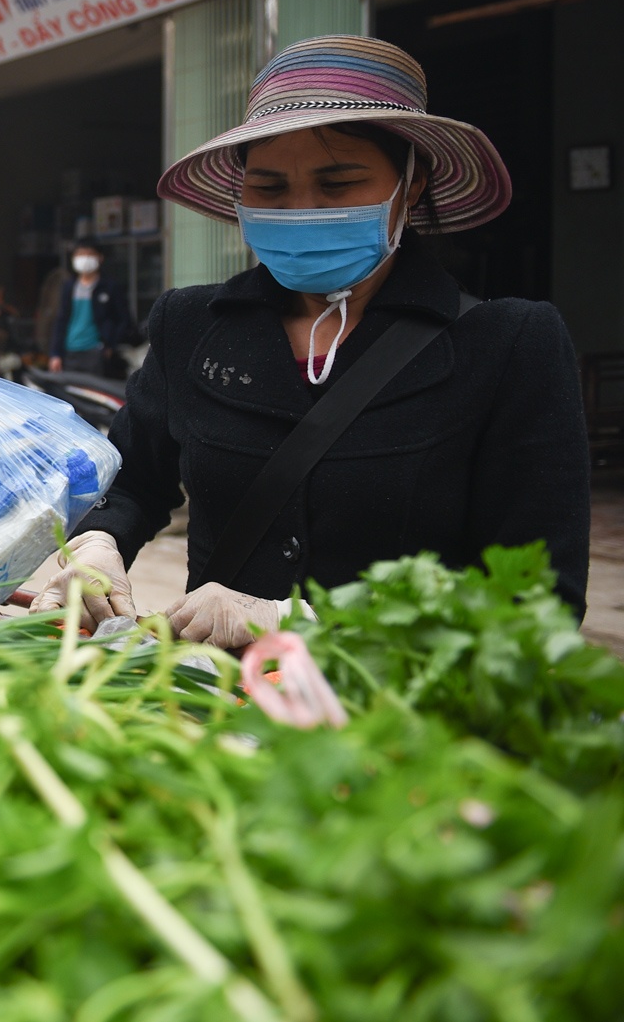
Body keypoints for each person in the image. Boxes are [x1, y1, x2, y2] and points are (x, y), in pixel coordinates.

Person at [33, 35, 588, 646]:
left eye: (339, 182)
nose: (302, 209)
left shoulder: (507, 344)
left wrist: (303, 622)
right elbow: (135, 480)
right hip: (216, 706)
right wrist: (99, 542)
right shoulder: (190, 325)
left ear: (413, 182)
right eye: (270, 189)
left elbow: (540, 601)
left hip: (403, 721)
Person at [47, 241, 133, 377]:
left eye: (89, 254)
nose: (85, 259)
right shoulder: (69, 287)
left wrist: (110, 345)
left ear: (100, 258)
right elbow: (61, 320)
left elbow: (124, 320)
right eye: (80, 254)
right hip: (70, 351)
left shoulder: (110, 287)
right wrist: (56, 353)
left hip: (96, 352)